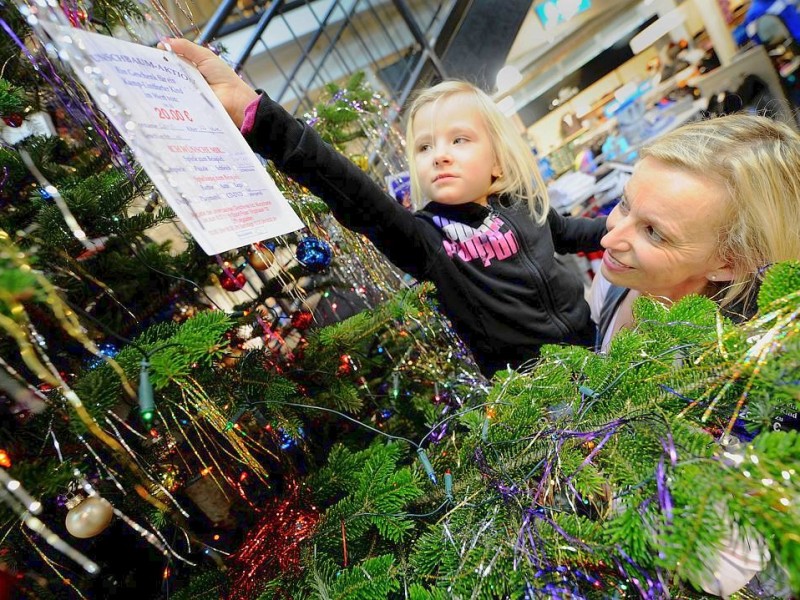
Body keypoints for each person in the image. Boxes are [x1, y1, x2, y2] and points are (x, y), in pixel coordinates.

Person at [164, 39, 607, 377]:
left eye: (459, 140)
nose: (440, 154)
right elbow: (351, 191)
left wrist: (627, 222)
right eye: (425, 146)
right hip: (539, 392)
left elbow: (569, 232)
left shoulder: (522, 206)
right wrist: (257, 115)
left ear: (497, 158)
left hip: (597, 346)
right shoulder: (427, 240)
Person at [588, 113, 800, 595]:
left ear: (730, 263)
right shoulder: (616, 282)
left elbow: (718, 566)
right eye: (623, 205)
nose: (610, 238)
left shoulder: (738, 381)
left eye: (654, 232)